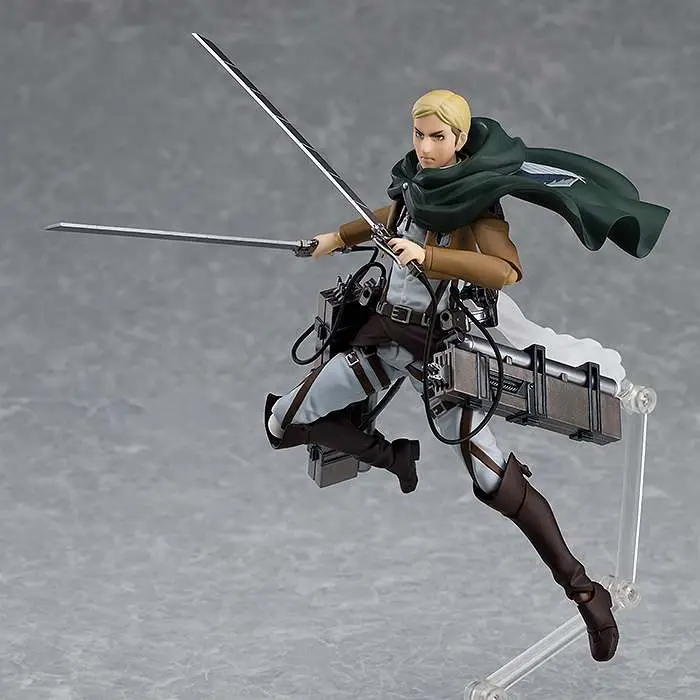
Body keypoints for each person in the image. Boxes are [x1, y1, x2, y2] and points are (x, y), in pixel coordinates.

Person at [263, 89, 669, 662]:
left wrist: (429, 259)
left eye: (438, 137)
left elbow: (505, 270)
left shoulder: (475, 203)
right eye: (419, 134)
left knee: (490, 480)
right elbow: (387, 219)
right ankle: (393, 456)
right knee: (282, 422)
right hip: (384, 340)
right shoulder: (414, 187)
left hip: (436, 354)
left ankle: (586, 592)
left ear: (458, 139)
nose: (426, 147)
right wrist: (337, 238)